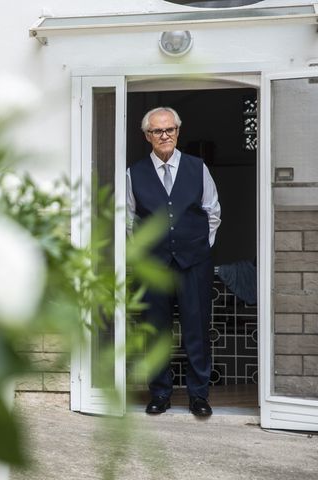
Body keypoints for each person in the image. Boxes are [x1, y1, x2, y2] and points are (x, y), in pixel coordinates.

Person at [126, 107, 221, 417]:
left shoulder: (198, 167)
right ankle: (160, 394)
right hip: (153, 264)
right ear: (147, 136)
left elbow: (212, 211)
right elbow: (128, 219)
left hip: (194, 262)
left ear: (178, 132)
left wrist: (200, 248)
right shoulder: (134, 172)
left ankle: (198, 396)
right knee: (155, 331)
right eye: (157, 131)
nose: (163, 135)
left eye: (169, 130)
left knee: (197, 328)